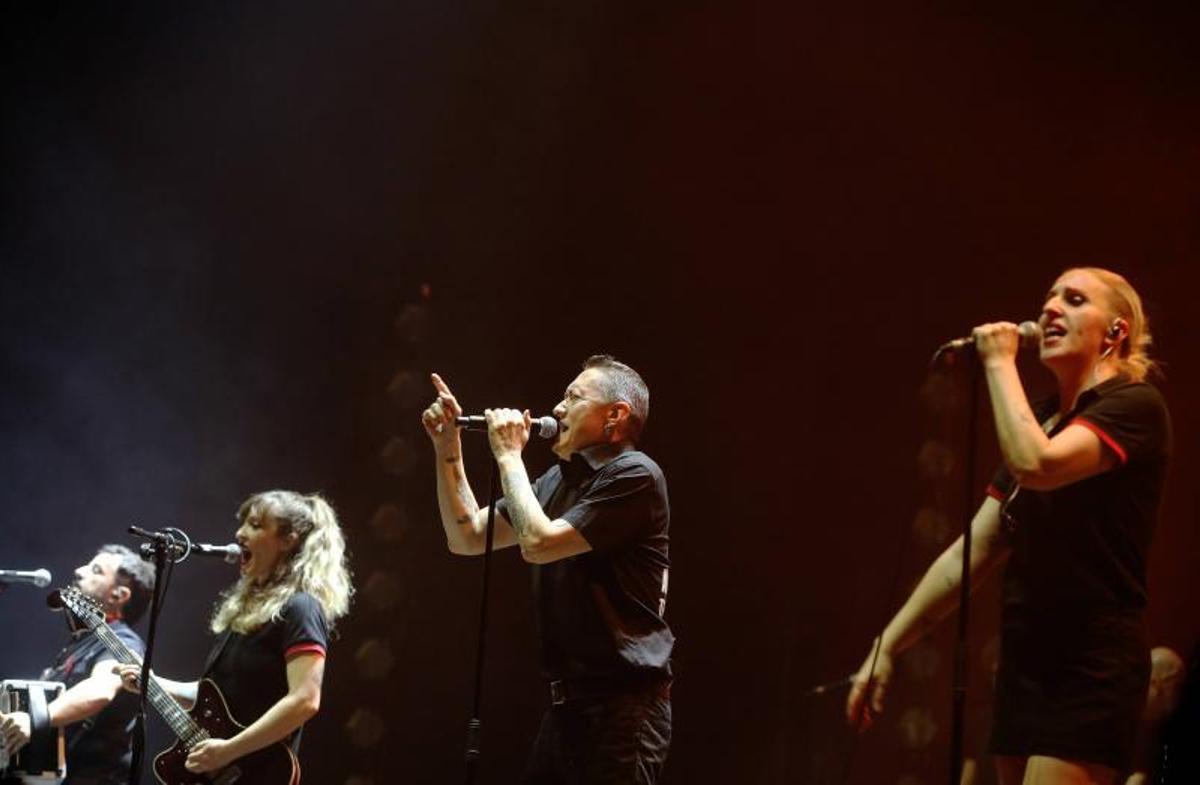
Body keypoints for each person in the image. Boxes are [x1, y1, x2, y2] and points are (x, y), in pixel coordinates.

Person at [846, 268, 1171, 785]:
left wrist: (999, 362)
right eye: (1049, 297)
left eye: (1074, 299)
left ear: (1116, 331)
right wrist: (887, 645)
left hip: (1091, 662)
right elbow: (972, 551)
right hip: (1026, 660)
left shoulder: (1135, 406)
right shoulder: (1042, 418)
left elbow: (1036, 465)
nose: (1050, 308)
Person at [421, 355, 673, 784]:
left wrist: (508, 456)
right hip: (566, 711)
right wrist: (448, 447)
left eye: (574, 398)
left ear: (615, 415)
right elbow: (467, 536)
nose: (557, 408)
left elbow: (538, 544)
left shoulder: (636, 475)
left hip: (623, 709)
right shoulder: (557, 481)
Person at [116, 490, 352, 778]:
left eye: (255, 525)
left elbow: (305, 701)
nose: (239, 533)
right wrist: (151, 683)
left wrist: (228, 751)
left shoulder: (301, 607)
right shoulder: (248, 611)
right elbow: (214, 697)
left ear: (287, 541)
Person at [0, 545, 154, 785]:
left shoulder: (124, 642)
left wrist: (35, 721)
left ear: (119, 595)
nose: (79, 571)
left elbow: (101, 689)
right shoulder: (82, 641)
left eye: (96, 570)